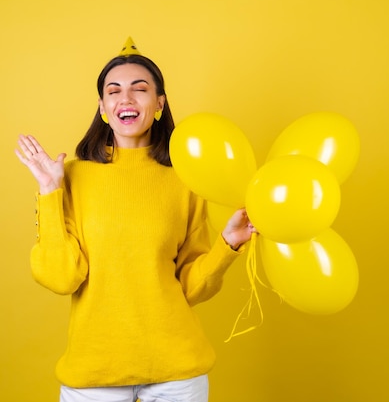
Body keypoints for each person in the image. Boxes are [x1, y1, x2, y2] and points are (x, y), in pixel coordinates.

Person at [15, 39, 256, 402]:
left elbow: (190, 288)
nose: (125, 99)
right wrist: (50, 192)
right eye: (114, 91)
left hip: (177, 369)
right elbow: (61, 277)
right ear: (102, 107)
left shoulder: (185, 179)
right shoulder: (70, 177)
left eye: (139, 89)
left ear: (159, 103)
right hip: (94, 369)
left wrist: (228, 245)